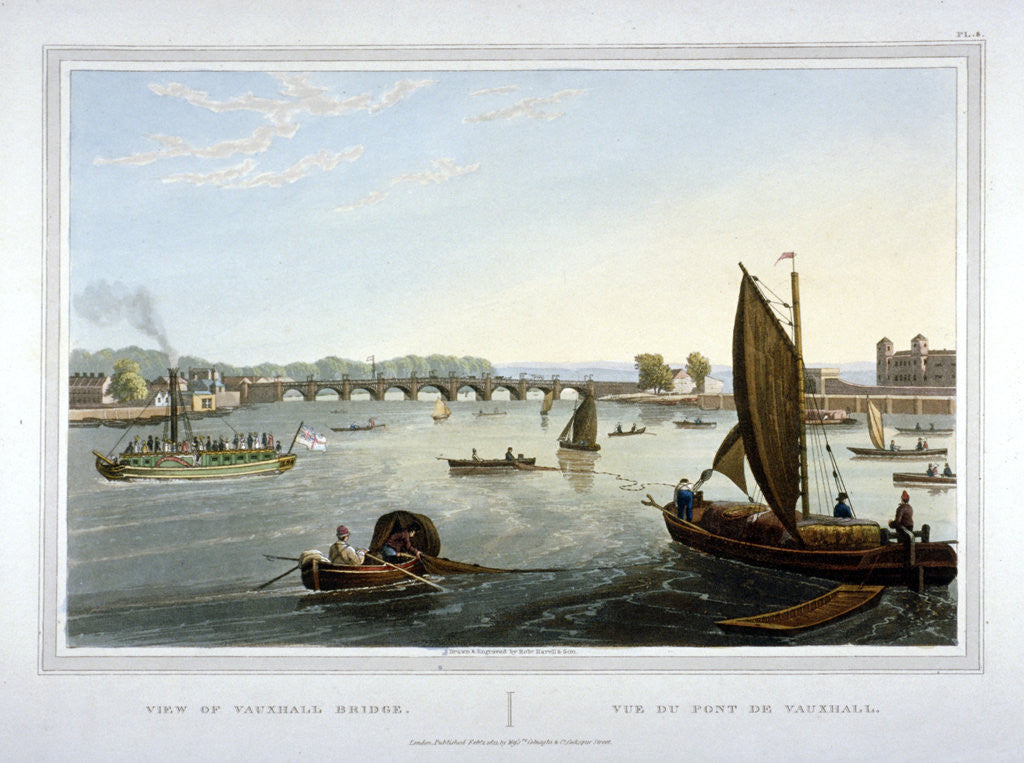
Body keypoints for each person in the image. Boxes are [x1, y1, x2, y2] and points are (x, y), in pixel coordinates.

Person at [889, 491, 915, 562]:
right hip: (910, 529)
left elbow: (897, 522)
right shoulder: (910, 508)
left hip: (903, 530)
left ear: (901, 499)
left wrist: (890, 523)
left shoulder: (900, 508)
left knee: (902, 547)